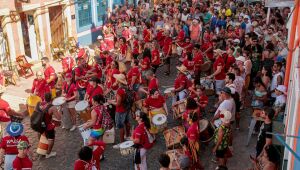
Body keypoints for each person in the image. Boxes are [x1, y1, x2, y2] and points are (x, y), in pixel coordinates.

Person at [109, 74, 131, 148]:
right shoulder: (126, 88)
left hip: (120, 110)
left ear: (118, 81)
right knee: (127, 122)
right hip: (126, 108)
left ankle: (122, 143)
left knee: (120, 126)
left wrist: (111, 102)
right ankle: (128, 136)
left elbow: (118, 104)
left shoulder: (119, 91)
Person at [40, 92, 61, 158]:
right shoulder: (53, 107)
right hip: (47, 125)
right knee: (51, 139)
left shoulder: (42, 104)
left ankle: (43, 150)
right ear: (52, 98)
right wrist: (60, 109)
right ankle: (48, 153)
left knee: (46, 136)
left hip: (42, 123)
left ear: (44, 98)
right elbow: (59, 117)